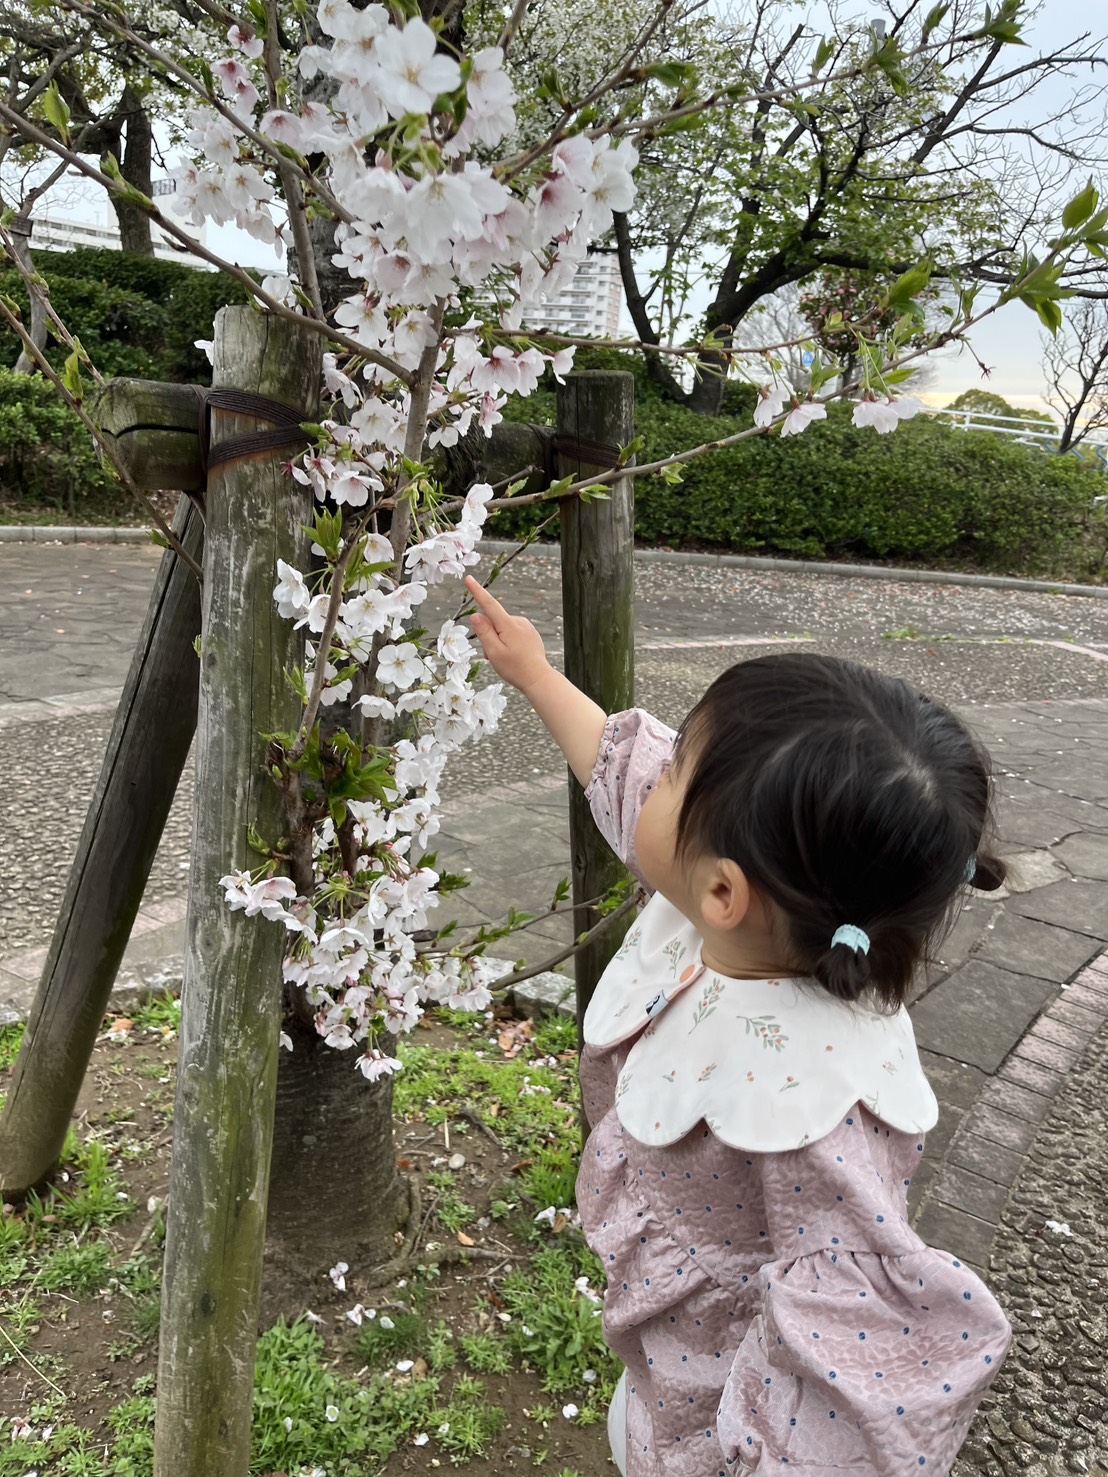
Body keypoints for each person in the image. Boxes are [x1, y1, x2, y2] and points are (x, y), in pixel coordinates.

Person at [465, 575, 1012, 1477]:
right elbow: (619, 770)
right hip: (660, 1344)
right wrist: (536, 674)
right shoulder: (761, 912)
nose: (653, 767)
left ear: (724, 889)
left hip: (710, 1397)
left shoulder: (812, 1107)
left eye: (678, 770)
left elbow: (852, 1326)